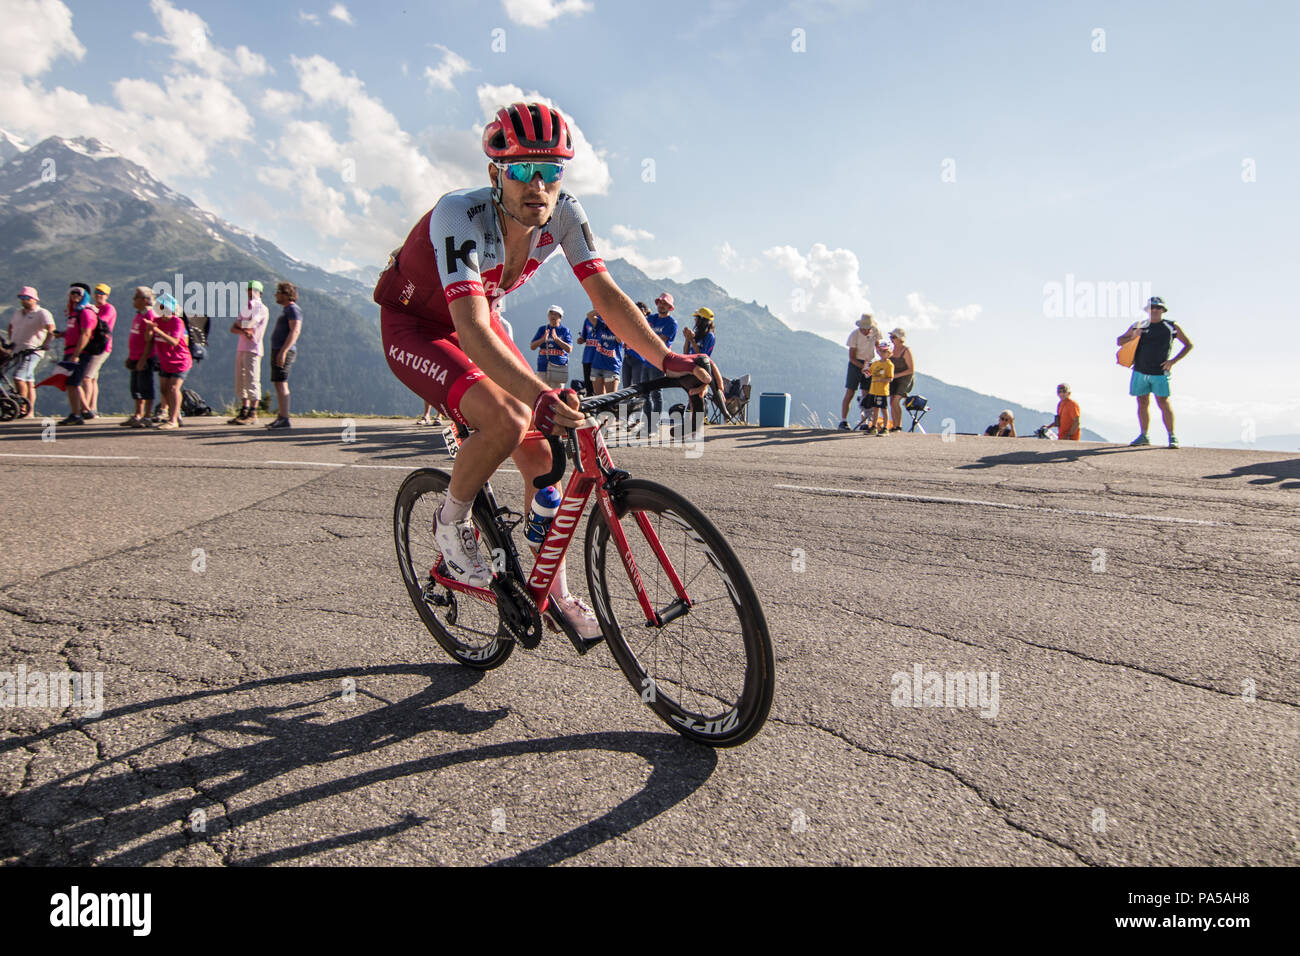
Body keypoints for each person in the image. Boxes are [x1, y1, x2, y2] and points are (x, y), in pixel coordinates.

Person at [372, 101, 709, 638]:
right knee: (507, 420)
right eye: (523, 171)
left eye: (550, 171)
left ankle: (556, 593)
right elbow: (473, 328)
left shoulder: (567, 214)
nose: (538, 186)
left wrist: (666, 359)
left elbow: (607, 295)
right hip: (418, 326)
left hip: (480, 314)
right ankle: (449, 523)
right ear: (494, 174)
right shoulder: (459, 214)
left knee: (542, 449)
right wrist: (538, 394)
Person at [1116, 296, 1192, 448]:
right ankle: (1144, 435)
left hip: (1159, 372)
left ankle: (1172, 436)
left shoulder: (1171, 326)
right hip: (1140, 370)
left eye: (1158, 307)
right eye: (1152, 307)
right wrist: (1133, 336)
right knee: (1142, 402)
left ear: (1163, 310)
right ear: (1148, 310)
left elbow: (1188, 345)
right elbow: (1119, 341)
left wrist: (1173, 362)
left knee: (1163, 402)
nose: (1155, 310)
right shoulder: (1140, 325)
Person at [143, 294, 190, 429]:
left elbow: (174, 342)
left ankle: (173, 420)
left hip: (180, 360)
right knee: (164, 390)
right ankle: (176, 414)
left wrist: (156, 329)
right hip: (165, 361)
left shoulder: (177, 322)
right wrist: (149, 329)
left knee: (173, 388)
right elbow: (148, 339)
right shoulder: (157, 320)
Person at [7, 286, 55, 420]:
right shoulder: (18, 313)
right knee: (28, 380)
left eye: (27, 298)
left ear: (34, 299)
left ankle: (21, 406)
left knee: (18, 377)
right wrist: (11, 341)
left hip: (32, 350)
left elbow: (51, 328)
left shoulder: (42, 313)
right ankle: (30, 411)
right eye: (22, 298)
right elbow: (11, 327)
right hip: (18, 350)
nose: (24, 300)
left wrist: (46, 343)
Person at [229, 279, 269, 424]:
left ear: (259, 292)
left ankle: (253, 412)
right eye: (249, 290)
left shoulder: (261, 308)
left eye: (253, 290)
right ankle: (244, 410)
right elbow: (233, 327)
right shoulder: (246, 309)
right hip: (242, 347)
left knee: (252, 380)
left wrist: (243, 326)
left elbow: (252, 323)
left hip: (253, 348)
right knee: (240, 380)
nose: (250, 293)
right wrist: (244, 329)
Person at [58, 283, 98, 425]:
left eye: (78, 293)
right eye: (72, 293)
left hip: (79, 353)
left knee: (73, 383)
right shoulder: (74, 313)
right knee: (71, 383)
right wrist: (62, 334)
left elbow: (86, 334)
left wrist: (76, 354)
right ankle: (83, 411)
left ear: (84, 296)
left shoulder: (86, 312)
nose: (74, 296)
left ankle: (76, 414)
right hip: (71, 350)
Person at [266, 281, 302, 430]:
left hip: (283, 350)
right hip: (279, 349)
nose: (276, 294)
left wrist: (284, 351)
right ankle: (281, 416)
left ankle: (284, 418)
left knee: (281, 382)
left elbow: (295, 331)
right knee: (278, 382)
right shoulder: (287, 309)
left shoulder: (293, 310)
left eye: (278, 292)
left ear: (286, 294)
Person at [121, 287, 158, 427]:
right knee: (136, 386)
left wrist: (143, 359)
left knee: (146, 386)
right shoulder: (139, 315)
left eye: (135, 297)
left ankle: (147, 416)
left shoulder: (149, 315)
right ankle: (138, 414)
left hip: (145, 357)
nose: (133, 300)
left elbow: (151, 340)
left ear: (144, 300)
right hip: (135, 356)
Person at [79, 283, 116, 419]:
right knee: (93, 378)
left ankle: (85, 408)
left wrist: (87, 314)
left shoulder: (108, 308)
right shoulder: (94, 308)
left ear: (107, 296)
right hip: (93, 346)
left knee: (86, 377)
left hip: (102, 347)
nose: (99, 295)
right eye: (97, 292)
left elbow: (100, 322)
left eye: (102, 293)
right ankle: (93, 408)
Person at [841, 313, 880, 429]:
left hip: (869, 362)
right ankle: (843, 420)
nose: (866, 330)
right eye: (864, 328)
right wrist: (862, 366)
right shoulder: (855, 335)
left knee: (866, 393)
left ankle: (865, 422)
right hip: (856, 363)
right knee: (850, 391)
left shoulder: (876, 332)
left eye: (868, 328)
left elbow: (878, 348)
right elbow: (851, 357)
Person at [646, 292, 678, 427]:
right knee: (643, 394)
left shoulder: (671, 323)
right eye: (660, 302)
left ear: (670, 307)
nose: (661, 305)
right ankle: (647, 423)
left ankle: (654, 424)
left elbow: (661, 340)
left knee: (656, 393)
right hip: (645, 359)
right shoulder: (651, 318)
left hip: (659, 361)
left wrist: (646, 337)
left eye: (665, 303)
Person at [529, 305, 573, 387]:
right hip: (543, 367)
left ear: (560, 317)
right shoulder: (542, 329)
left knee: (557, 393)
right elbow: (532, 346)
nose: (553, 316)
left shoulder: (564, 330)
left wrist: (557, 340)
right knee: (542, 392)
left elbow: (569, 349)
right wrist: (542, 340)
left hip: (558, 368)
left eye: (556, 314)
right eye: (551, 314)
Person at [859, 339, 894, 434]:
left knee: (884, 409)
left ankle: (885, 428)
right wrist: (865, 368)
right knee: (875, 409)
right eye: (881, 351)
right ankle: (873, 426)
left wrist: (881, 380)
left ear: (889, 352)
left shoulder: (889, 365)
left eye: (885, 351)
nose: (882, 353)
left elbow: (890, 378)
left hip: (882, 391)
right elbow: (868, 373)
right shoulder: (876, 363)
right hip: (873, 390)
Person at [587, 310, 623, 394]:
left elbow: (620, 339)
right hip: (597, 366)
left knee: (612, 399)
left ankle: (622, 408)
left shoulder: (619, 330)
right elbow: (589, 315)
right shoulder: (601, 326)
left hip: (611, 367)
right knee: (599, 400)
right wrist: (602, 309)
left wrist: (614, 325)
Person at [886, 328, 914, 433]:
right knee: (892, 400)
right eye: (891, 337)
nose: (891, 339)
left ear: (900, 339)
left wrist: (897, 375)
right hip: (894, 378)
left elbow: (911, 369)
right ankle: (895, 425)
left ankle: (899, 426)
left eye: (894, 337)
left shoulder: (906, 351)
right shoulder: (891, 351)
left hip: (905, 378)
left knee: (896, 400)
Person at [576, 308, 598, 395]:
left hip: (600, 359)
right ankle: (591, 408)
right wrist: (580, 339)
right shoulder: (587, 320)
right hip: (587, 357)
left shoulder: (606, 319)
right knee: (589, 389)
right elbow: (584, 337)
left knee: (600, 390)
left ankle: (623, 408)